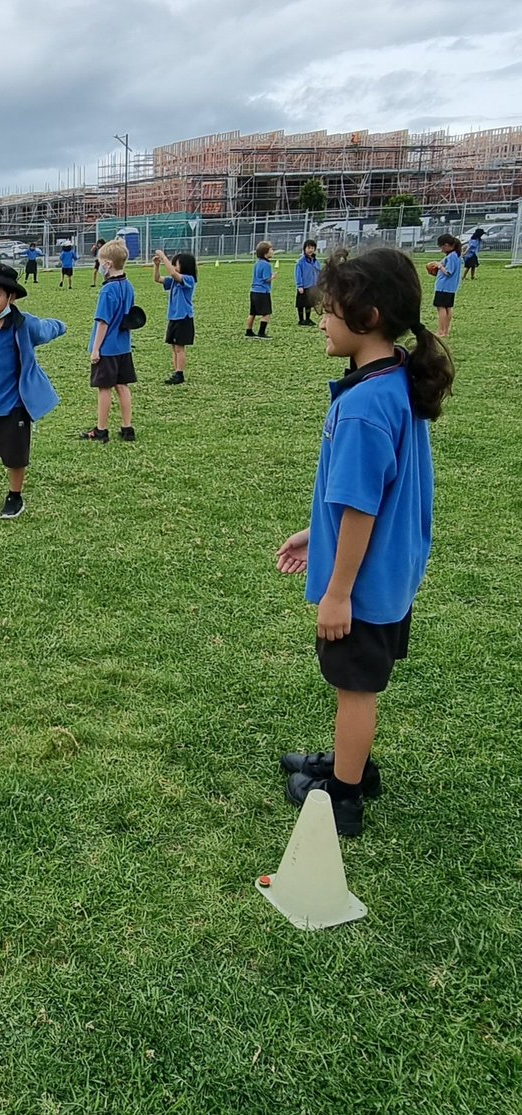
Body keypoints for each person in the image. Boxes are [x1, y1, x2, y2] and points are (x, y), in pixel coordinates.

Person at [275, 248, 454, 835]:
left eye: (330, 311)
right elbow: (375, 491)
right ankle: (352, 763)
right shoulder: (395, 376)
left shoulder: (362, 406)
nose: (321, 322)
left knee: (354, 689)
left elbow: (361, 507)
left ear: (368, 317)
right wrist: (317, 535)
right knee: (355, 684)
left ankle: (344, 797)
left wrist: (337, 592)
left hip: (364, 585)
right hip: (390, 573)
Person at [0, 263, 67, 520]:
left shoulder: (24, 324)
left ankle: (15, 495)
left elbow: (47, 329)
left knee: (15, 455)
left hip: (14, 404)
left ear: (11, 297)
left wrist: (61, 325)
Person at [79, 240, 137, 442]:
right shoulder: (128, 286)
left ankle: (101, 429)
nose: (99, 265)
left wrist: (96, 349)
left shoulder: (107, 290)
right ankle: (127, 428)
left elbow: (103, 322)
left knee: (104, 388)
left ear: (108, 264)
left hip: (107, 349)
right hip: (123, 347)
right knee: (123, 386)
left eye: (101, 261)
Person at [153, 249, 196, 385]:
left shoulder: (189, 279)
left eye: (176, 264)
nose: (173, 266)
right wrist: (156, 266)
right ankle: (176, 371)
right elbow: (157, 279)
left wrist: (163, 256)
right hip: (174, 317)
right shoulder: (173, 281)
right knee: (174, 347)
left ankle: (180, 373)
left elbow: (173, 273)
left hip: (183, 318)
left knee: (179, 347)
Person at [245, 241, 275, 339]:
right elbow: (266, 279)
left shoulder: (257, 263)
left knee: (252, 313)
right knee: (266, 313)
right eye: (271, 249)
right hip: (263, 292)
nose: (273, 251)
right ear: (265, 252)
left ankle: (248, 332)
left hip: (254, 291)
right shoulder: (266, 264)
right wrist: (273, 277)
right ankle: (261, 333)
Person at [433, 234, 462, 338]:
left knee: (441, 308)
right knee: (447, 308)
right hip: (451, 287)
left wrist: (440, 266)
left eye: (441, 247)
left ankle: (441, 331)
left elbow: (448, 272)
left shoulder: (451, 256)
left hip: (444, 286)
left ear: (446, 245)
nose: (441, 249)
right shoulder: (457, 255)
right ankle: (446, 330)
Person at [295, 239, 322, 326]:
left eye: (312, 248)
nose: (310, 250)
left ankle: (307, 319)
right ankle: (301, 320)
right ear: (304, 249)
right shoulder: (301, 262)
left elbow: (319, 271)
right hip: (304, 286)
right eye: (308, 248)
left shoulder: (315, 261)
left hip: (313, 286)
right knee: (301, 304)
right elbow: (298, 274)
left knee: (309, 304)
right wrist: (300, 285)